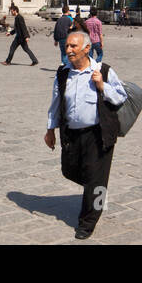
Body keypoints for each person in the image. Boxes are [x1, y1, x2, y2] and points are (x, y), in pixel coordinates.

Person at [44, 31, 128, 240]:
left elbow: (121, 97)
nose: (69, 50)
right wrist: (50, 129)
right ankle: (96, 191)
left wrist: (102, 86)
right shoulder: (63, 73)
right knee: (69, 170)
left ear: (87, 49)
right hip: (71, 134)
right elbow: (56, 102)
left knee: (95, 178)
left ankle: (88, 221)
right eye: (68, 46)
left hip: (97, 134)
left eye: (73, 46)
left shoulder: (104, 71)